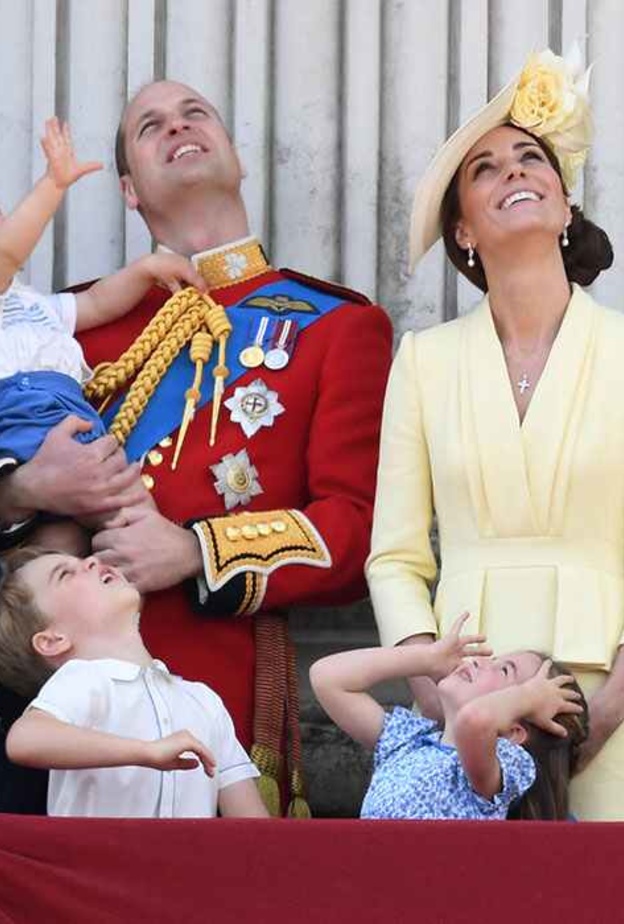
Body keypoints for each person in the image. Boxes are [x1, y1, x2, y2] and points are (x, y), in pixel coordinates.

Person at [0, 82, 392, 814]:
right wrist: (24, 489)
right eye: (150, 126)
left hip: (212, 690)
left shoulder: (336, 324)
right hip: (44, 692)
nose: (177, 126)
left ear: (236, 157)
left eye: (195, 113)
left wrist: (196, 551)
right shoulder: (69, 324)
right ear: (128, 189)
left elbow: (357, 530)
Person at [365, 45, 624, 821]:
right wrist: (432, 691)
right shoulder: (424, 360)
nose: (513, 171)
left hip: (612, 690)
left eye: (530, 157)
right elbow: (395, 557)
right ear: (463, 230)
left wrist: (611, 706)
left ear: (565, 204)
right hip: (465, 701)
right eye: (485, 169)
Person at [0, 116, 207, 554]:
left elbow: (96, 303)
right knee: (113, 508)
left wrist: (143, 270)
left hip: (71, 416)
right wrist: (53, 184)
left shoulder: (34, 305)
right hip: (18, 417)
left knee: (74, 539)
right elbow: (7, 252)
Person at [0, 548, 268, 818]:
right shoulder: (81, 680)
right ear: (52, 640)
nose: (92, 560)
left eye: (83, 560)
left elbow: (253, 827)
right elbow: (25, 739)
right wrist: (145, 752)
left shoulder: (203, 699)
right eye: (65, 574)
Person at [310, 613, 588, 820]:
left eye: (504, 670)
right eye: (492, 660)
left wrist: (528, 697)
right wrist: (427, 658)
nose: (479, 661)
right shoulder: (410, 740)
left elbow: (473, 721)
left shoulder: (503, 764)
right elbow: (327, 678)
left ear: (514, 732)